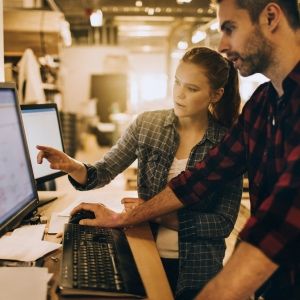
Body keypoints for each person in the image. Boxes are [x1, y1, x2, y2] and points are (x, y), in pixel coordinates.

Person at [66, 0, 300, 299]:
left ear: (271, 17)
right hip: (275, 286)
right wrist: (122, 219)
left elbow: (280, 217)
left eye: (230, 28)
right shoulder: (263, 105)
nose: (224, 45)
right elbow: (201, 178)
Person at [37, 47, 242, 299]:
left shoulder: (228, 143)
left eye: (192, 88)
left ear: (216, 94)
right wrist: (73, 166)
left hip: (197, 268)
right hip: (143, 247)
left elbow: (222, 223)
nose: (179, 93)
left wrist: (152, 214)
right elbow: (101, 172)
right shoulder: (147, 125)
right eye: (177, 82)